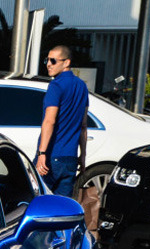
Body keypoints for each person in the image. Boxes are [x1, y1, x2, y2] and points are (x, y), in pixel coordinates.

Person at [36, 45, 88, 197]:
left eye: (53, 60)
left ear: (66, 63)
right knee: (61, 206)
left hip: (52, 156)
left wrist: (42, 153)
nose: (48, 64)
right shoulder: (81, 86)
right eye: (47, 60)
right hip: (70, 158)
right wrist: (83, 156)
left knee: (40, 202)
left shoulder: (56, 85)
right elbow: (83, 126)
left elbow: (49, 121)